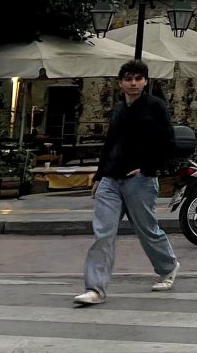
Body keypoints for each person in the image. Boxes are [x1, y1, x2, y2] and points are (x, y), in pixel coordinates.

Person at [74, 60, 179, 307]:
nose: (133, 83)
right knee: (103, 233)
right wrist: (99, 176)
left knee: (146, 229)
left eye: (138, 79)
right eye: (128, 79)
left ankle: (168, 267)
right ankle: (95, 289)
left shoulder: (155, 106)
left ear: (145, 82)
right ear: (120, 83)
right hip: (111, 179)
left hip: (140, 180)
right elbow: (110, 143)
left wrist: (148, 168)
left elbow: (168, 142)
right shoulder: (119, 109)